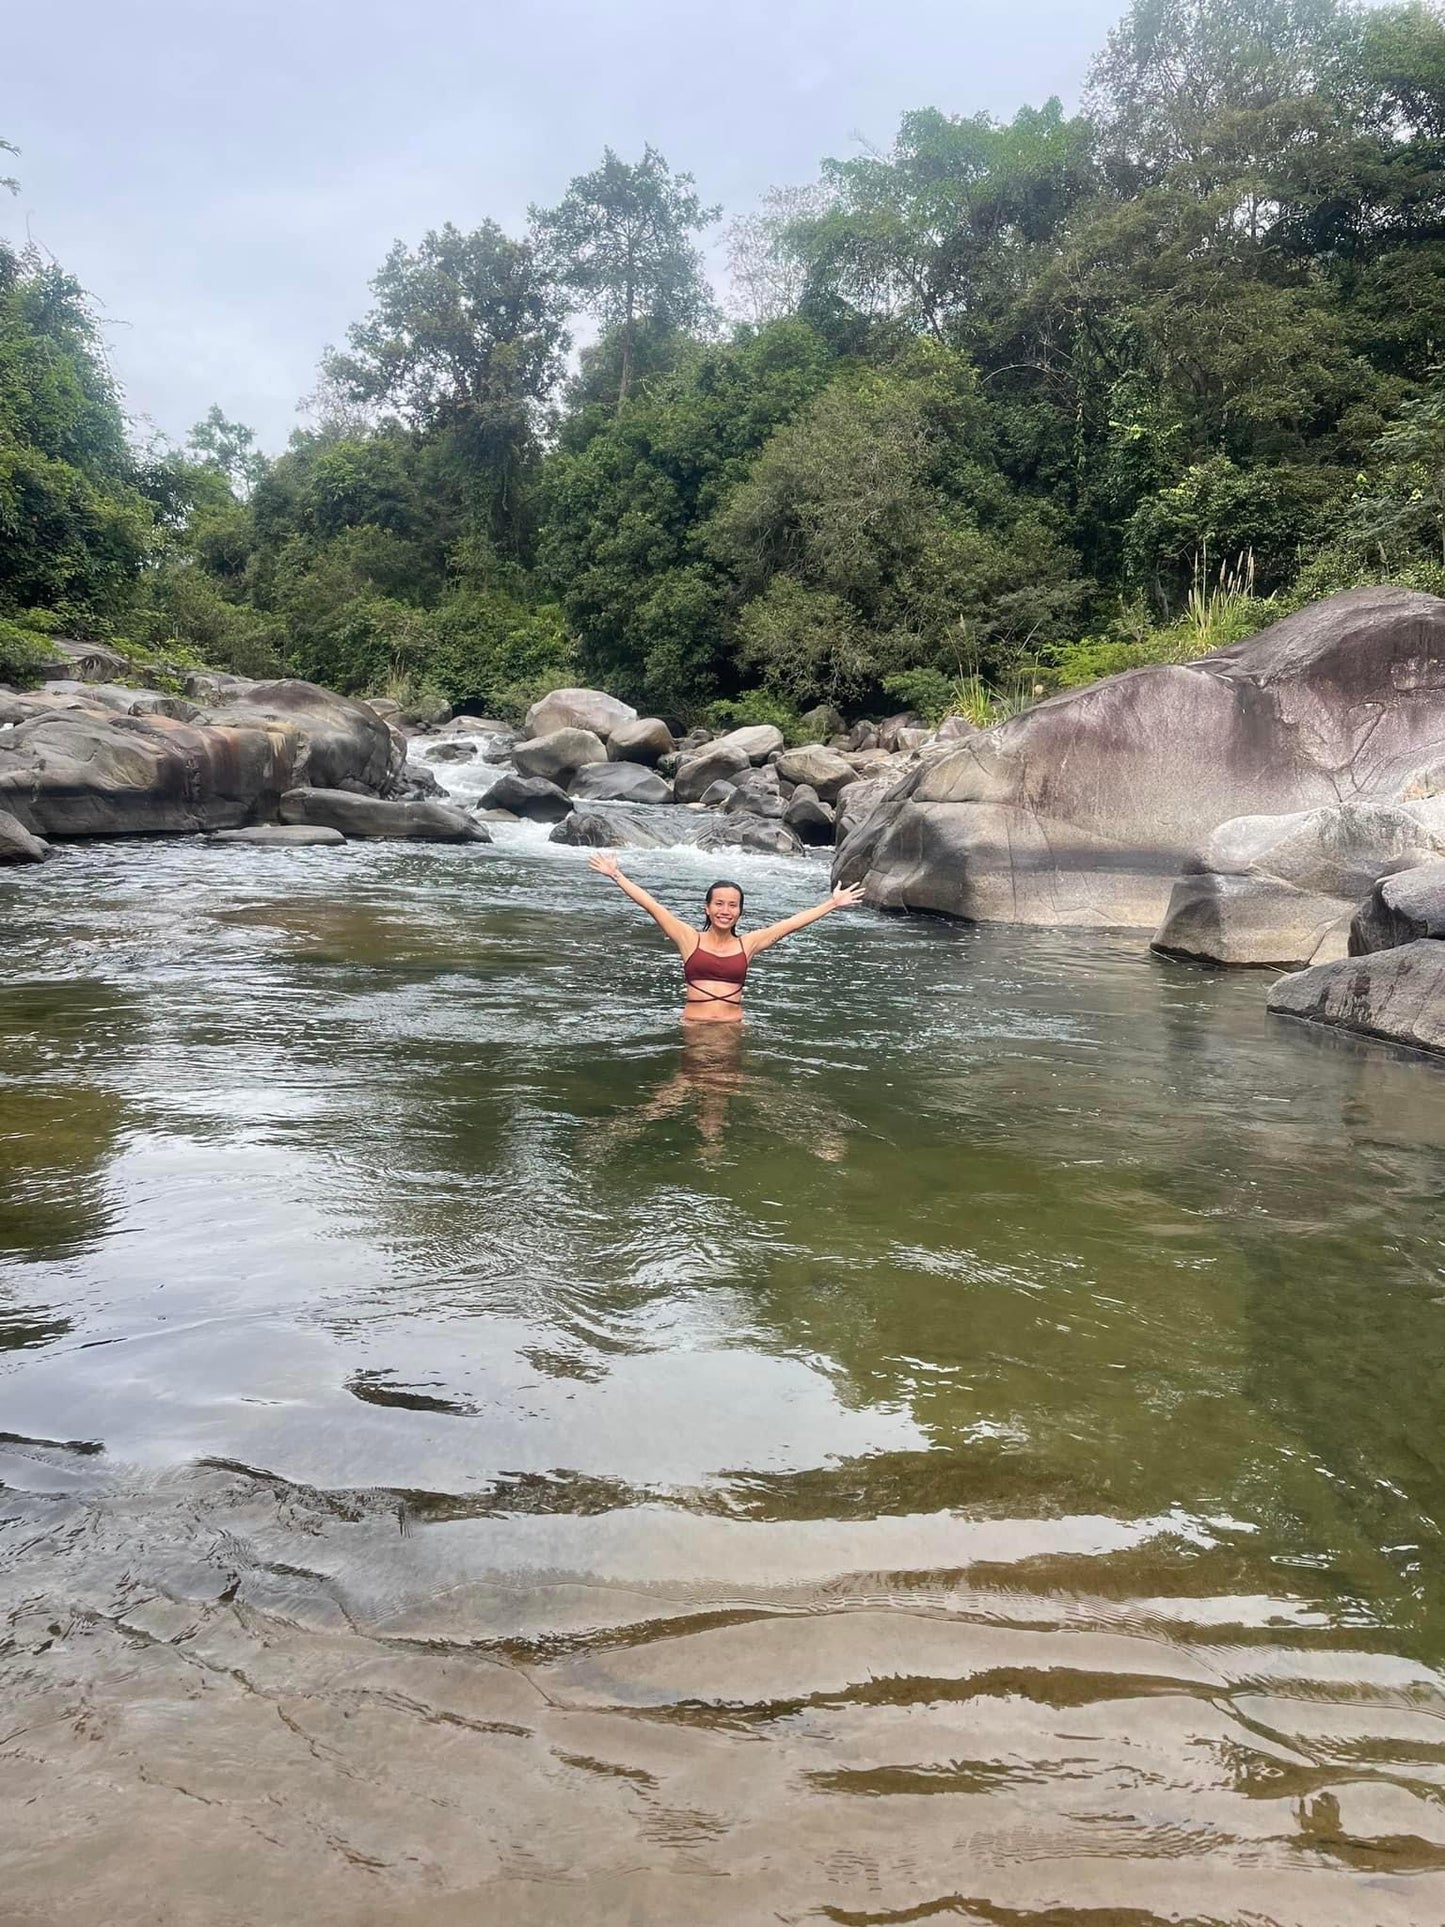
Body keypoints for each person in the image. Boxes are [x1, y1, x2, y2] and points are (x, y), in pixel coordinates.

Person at [587, 852, 865, 1023]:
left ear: (740, 912)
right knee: (685, 1085)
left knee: (722, 1092)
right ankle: (648, 1115)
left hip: (731, 1030)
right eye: (718, 904)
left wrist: (832, 904)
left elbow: (790, 924)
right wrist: (616, 875)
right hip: (694, 1026)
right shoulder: (688, 938)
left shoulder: (748, 944)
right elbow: (652, 905)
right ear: (707, 909)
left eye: (732, 905)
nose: (725, 910)